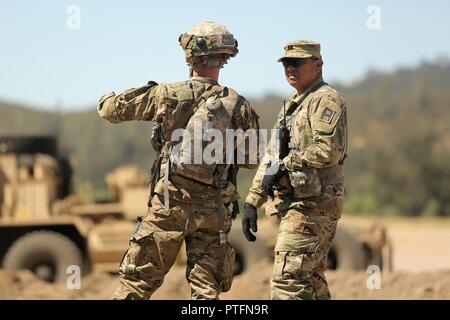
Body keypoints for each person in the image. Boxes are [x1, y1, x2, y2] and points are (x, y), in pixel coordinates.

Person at [97, 21, 260, 300]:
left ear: (190, 55)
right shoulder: (238, 105)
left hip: (169, 205)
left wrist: (107, 98)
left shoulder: (167, 94)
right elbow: (250, 159)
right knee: (206, 291)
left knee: (135, 284)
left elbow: (109, 110)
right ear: (224, 57)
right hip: (214, 212)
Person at [242, 40, 347, 300]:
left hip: (314, 205)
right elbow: (272, 156)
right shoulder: (292, 105)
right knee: (310, 281)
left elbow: (328, 149)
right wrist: (252, 201)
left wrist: (286, 166)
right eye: (287, 63)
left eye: (297, 63)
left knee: (288, 280)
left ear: (318, 65)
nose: (291, 68)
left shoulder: (326, 100)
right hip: (295, 205)